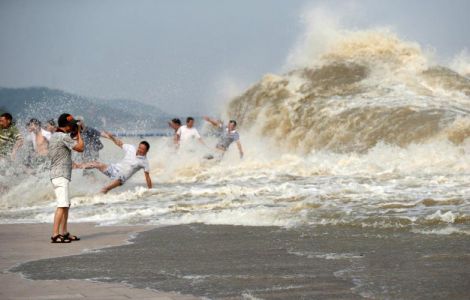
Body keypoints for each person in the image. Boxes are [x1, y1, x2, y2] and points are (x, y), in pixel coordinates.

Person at [75, 131, 152, 194]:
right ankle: (77, 166)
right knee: (96, 164)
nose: (139, 150)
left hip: (121, 178)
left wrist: (150, 190)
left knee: (105, 188)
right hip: (114, 168)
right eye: (139, 147)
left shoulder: (144, 162)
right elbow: (120, 143)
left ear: (146, 151)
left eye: (142, 149)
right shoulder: (131, 148)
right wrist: (111, 137)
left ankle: (98, 202)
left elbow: (147, 177)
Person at [49, 113, 84, 243]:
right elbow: (80, 148)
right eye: (71, 124)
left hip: (58, 175)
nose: (73, 126)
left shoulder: (57, 136)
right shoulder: (63, 136)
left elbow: (70, 142)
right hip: (60, 175)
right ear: (67, 125)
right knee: (62, 205)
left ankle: (63, 232)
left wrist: (75, 133)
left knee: (66, 205)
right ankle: (55, 234)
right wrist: (79, 133)